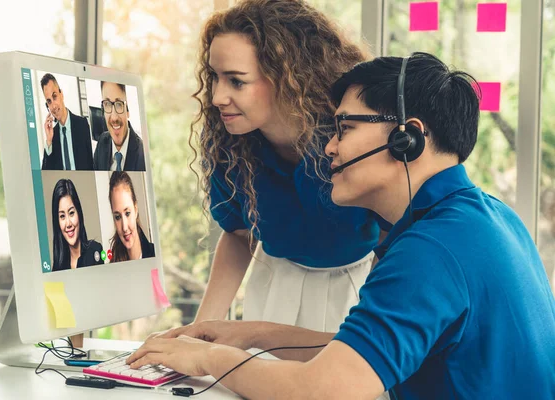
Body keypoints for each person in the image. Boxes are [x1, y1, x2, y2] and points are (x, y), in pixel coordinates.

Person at [126, 53, 555, 399]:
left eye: (345, 128)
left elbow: (324, 389)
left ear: (408, 137)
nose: (330, 147)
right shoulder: (486, 217)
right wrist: (249, 334)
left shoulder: (431, 250)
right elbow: (363, 354)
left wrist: (207, 360)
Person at [168, 0, 383, 335]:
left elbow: (395, 238)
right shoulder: (229, 148)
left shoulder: (352, 141)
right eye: (215, 77)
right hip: (273, 288)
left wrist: (379, 323)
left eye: (236, 81)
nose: (217, 97)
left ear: (285, 77)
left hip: (360, 292)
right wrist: (200, 331)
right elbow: (238, 236)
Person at [41, 73, 94, 171]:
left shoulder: (82, 125)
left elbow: (91, 165)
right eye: (49, 101)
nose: (53, 106)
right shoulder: (53, 136)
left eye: (55, 96)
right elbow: (45, 176)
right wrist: (48, 141)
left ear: (61, 94)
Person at [51, 179, 103, 271]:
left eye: (71, 213)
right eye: (62, 216)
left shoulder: (95, 250)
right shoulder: (57, 267)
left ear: (79, 213)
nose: (68, 224)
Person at [93, 82, 146, 171]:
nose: (114, 117)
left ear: (127, 110)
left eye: (119, 104)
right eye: (107, 104)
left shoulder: (143, 154)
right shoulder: (102, 142)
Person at [108, 171, 154, 262]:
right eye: (117, 217)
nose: (124, 227)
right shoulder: (112, 265)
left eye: (127, 213)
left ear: (135, 209)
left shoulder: (155, 254)